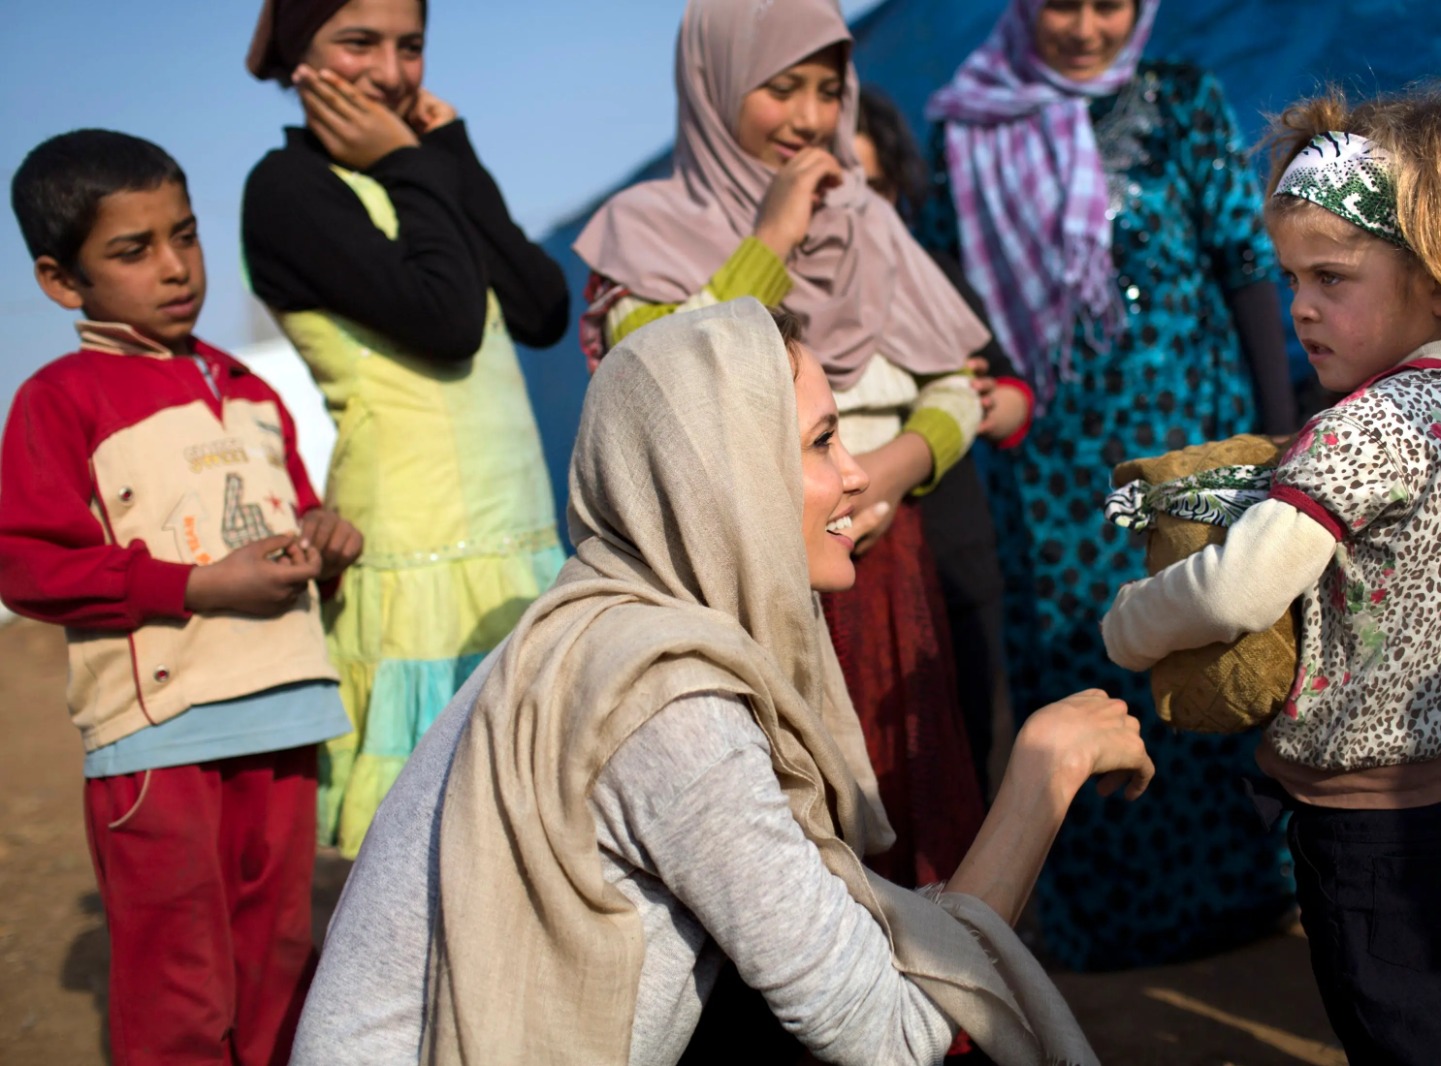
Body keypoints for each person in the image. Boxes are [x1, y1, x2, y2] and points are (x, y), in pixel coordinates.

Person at [290, 299, 1154, 1066]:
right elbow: (892, 1036)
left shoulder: (588, 629)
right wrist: (1042, 775)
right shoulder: (668, 707)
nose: (856, 474)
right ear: (719, 479)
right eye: (820, 441)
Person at [1102, 83, 1441, 1063]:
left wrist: (1129, 621)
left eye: (1331, 277)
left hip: (1381, 842)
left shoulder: (1363, 428)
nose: (1300, 308)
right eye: (1288, 278)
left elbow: (1237, 589)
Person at [574, 0, 993, 889]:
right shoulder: (644, 232)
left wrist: (885, 471)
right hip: (749, 586)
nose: (808, 118)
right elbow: (661, 384)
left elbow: (959, 385)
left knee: (910, 798)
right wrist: (767, 239)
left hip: (886, 567)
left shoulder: (867, 222)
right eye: (780, 88)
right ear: (714, 83)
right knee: (786, 830)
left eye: (827, 89)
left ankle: (937, 1020)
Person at [923, 0, 1298, 968]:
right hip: (1058, 476)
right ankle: (1113, 922)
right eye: (1061, 3)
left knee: (1215, 636)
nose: (1086, 27)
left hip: (1192, 441)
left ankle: (1254, 888)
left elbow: (1245, 266)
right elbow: (939, 299)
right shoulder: (963, 134)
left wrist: (1275, 432)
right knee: (1089, 655)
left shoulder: (1180, 102)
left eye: (1109, 4)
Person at [1, 130, 361, 1066]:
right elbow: (29, 563)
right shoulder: (60, 398)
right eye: (133, 249)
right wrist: (198, 584)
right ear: (59, 278)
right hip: (163, 737)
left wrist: (325, 542)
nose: (176, 268)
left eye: (186, 235)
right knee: (181, 982)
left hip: (282, 712)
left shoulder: (248, 390)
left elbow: (293, 512)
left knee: (281, 958)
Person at [242, 0, 570, 857]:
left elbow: (541, 307)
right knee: (439, 843)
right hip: (421, 560)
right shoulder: (287, 191)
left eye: (411, 45)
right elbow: (448, 319)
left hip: (519, 547)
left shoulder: (419, 170)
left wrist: (447, 155)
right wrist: (407, 162)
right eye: (357, 43)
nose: (390, 72)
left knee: (544, 823)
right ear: (296, 60)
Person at [854, 85, 1032, 793]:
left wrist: (984, 404)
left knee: (976, 765)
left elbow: (1016, 394)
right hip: (858, 580)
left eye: (874, 189)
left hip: (954, 570)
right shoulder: (786, 308)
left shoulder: (932, 281)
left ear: (899, 190)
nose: (858, 210)